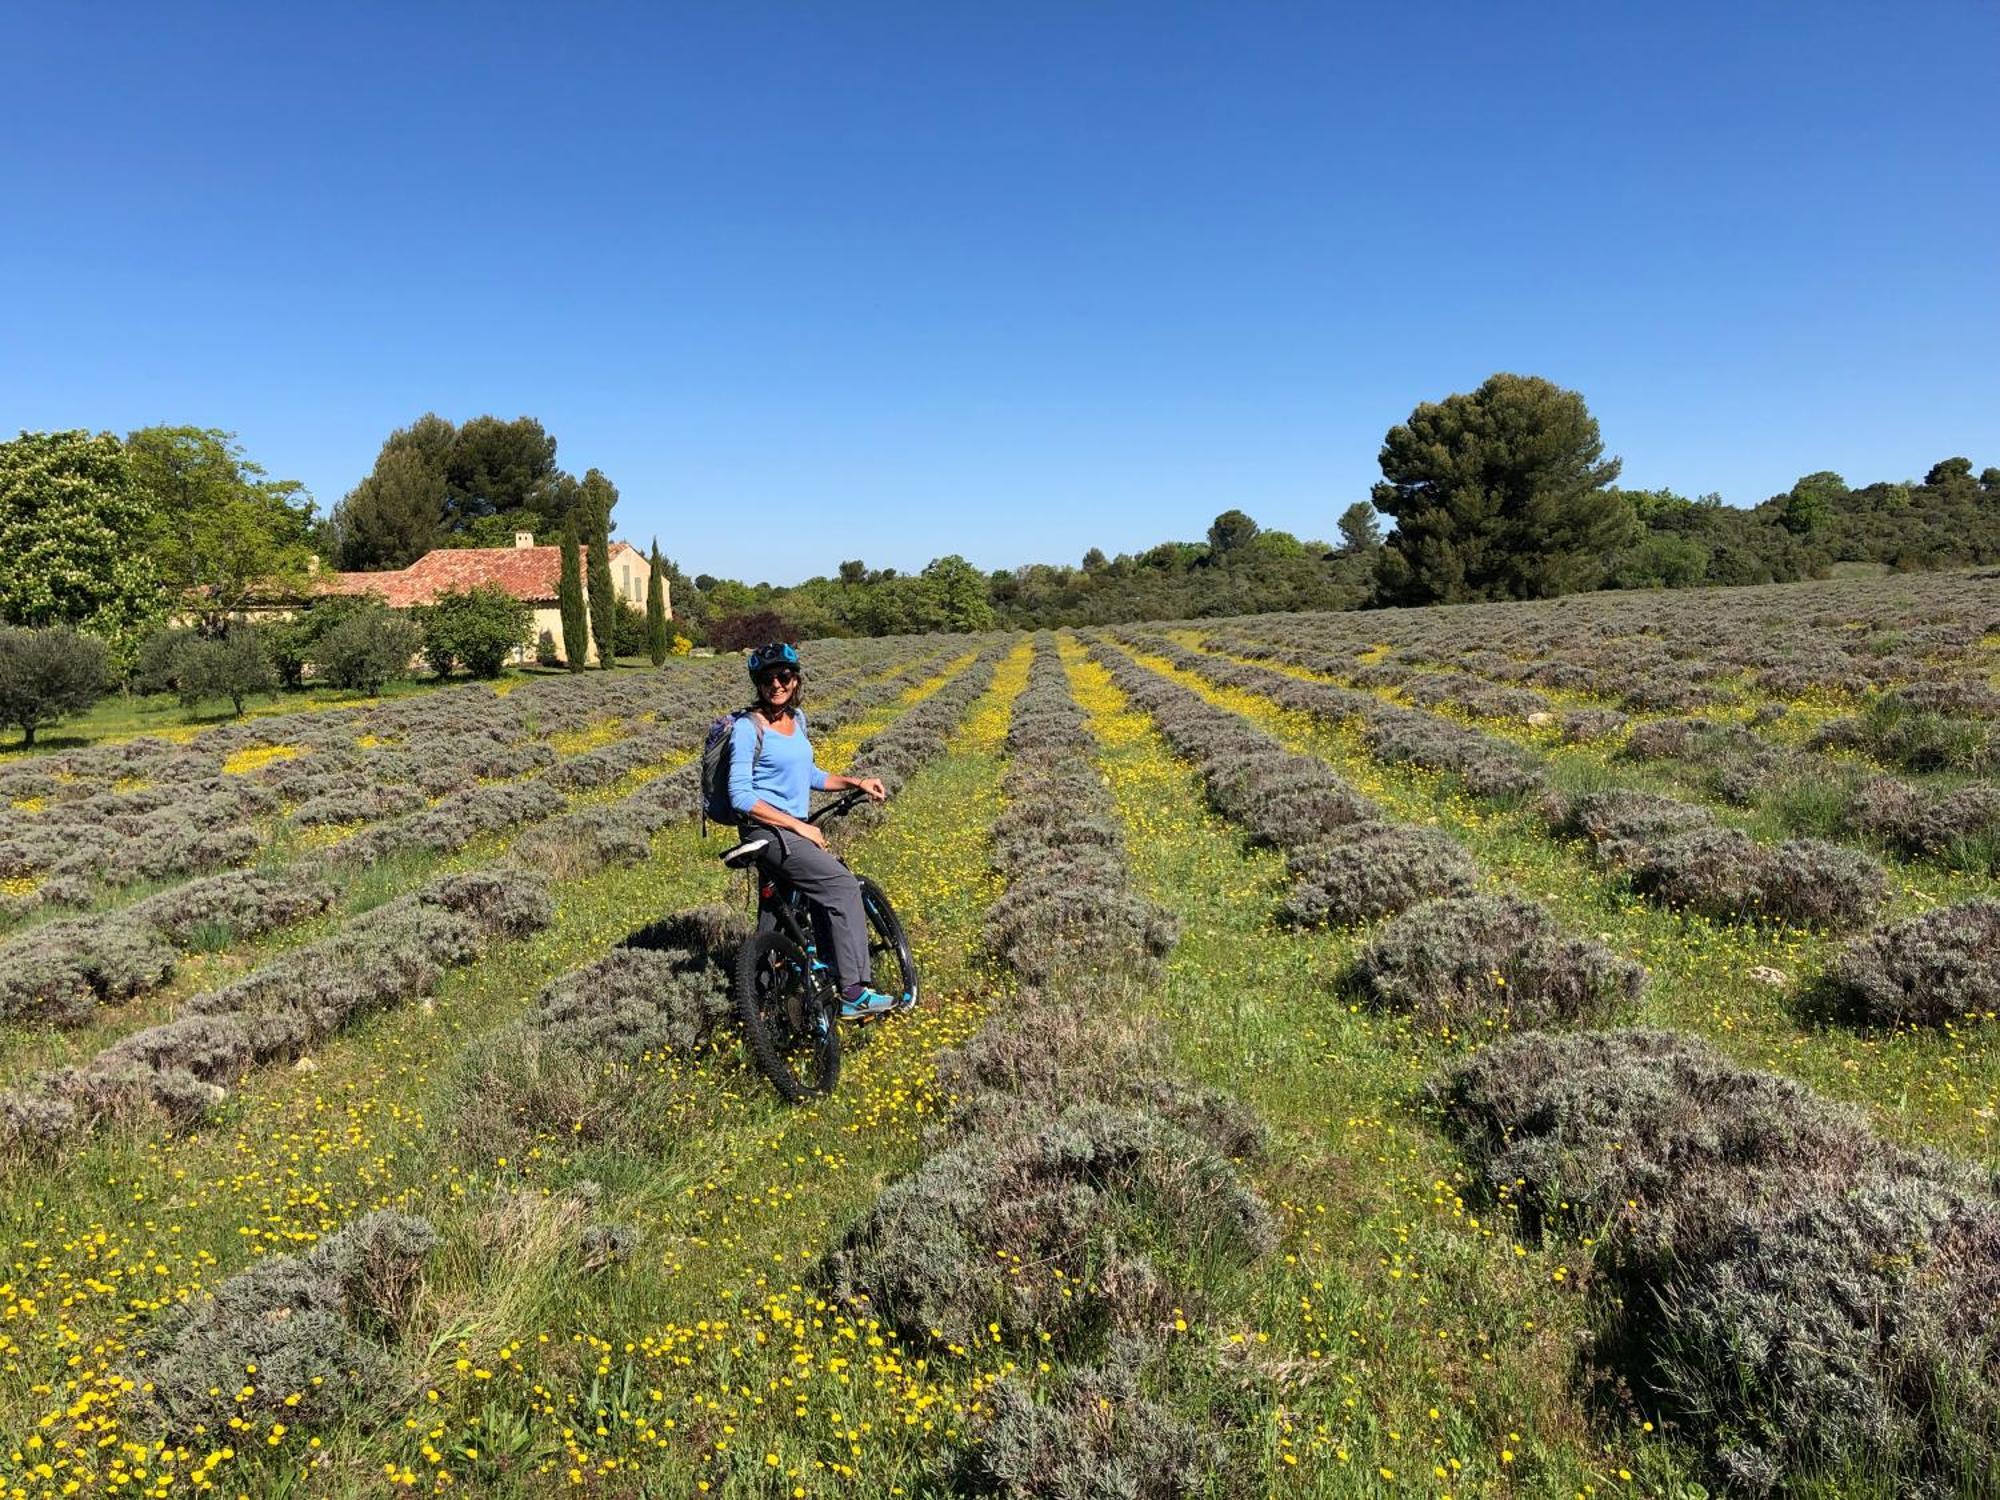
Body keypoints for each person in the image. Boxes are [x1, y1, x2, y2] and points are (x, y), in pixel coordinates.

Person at [728, 642, 901, 1019]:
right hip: (768, 831)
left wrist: (856, 781)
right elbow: (740, 795)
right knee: (840, 886)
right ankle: (854, 990)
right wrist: (799, 827)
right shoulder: (748, 727)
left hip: (787, 831)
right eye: (767, 678)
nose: (776, 683)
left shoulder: (798, 720)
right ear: (757, 683)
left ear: (795, 679)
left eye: (784, 676)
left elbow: (810, 775)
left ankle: (764, 1006)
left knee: (778, 918)